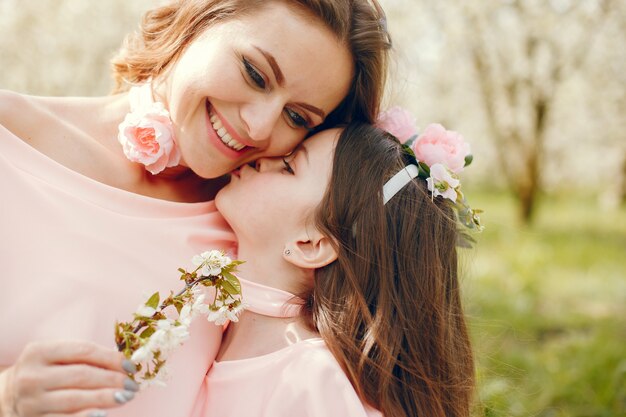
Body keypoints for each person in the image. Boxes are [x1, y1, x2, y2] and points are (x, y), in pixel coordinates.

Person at [0, 0, 390, 416]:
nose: (258, 127)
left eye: (296, 116)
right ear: (197, 20)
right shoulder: (11, 139)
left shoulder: (263, 233)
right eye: (255, 74)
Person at [190, 122, 476, 417]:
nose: (264, 156)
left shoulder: (312, 385)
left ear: (310, 244)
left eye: (289, 166)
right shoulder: (205, 319)